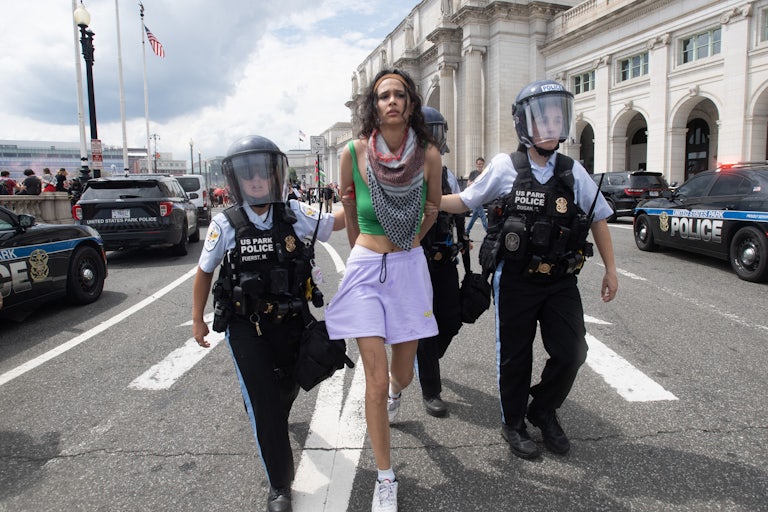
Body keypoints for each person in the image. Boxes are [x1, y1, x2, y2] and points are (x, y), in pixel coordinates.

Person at [440, 79, 618, 460]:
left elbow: (599, 217)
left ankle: (543, 409)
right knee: (515, 356)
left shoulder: (573, 171)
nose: (552, 125)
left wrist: (611, 269)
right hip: (516, 280)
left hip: (560, 281)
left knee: (572, 352)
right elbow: (465, 200)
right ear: (525, 124)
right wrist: (423, 199)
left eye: (558, 117)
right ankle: (514, 423)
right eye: (544, 118)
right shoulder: (506, 166)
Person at [191, 134, 346, 512]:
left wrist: (359, 197)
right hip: (247, 327)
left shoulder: (295, 214)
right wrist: (197, 319)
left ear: (275, 176)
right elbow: (204, 271)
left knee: (290, 385)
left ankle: (272, 410)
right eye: (249, 177)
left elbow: (335, 223)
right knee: (265, 405)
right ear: (237, 181)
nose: (257, 182)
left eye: (262, 175)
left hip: (293, 319)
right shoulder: (225, 225)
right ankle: (280, 486)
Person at [325, 68, 442, 512]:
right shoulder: (353, 152)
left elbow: (431, 208)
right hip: (366, 267)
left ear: (410, 104)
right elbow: (351, 208)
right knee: (372, 380)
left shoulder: (430, 154)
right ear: (372, 107)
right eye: (382, 96)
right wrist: (361, 248)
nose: (390, 101)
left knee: (402, 374)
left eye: (398, 95)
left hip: (409, 268)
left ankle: (397, 394)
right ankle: (386, 476)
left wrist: (413, 238)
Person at [415, 106, 467, 417]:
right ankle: (431, 389)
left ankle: (426, 358)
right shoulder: (405, 175)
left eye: (436, 132)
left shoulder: (447, 175)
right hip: (417, 260)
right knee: (426, 325)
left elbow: (459, 207)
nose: (433, 139)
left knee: (451, 318)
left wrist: (463, 240)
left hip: (445, 258)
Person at [465, 157, 488, 233]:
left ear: (483, 164)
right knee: (483, 216)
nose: (479, 165)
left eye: (481, 164)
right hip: (475, 196)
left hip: (481, 196)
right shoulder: (473, 173)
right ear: (476, 164)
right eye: (478, 164)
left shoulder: (485, 173)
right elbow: (468, 184)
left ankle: (467, 231)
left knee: (474, 216)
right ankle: (488, 232)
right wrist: (475, 181)